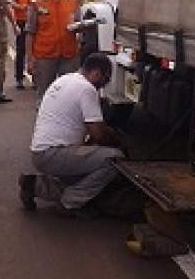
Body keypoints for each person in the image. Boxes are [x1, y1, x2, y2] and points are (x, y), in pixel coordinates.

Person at [18, 53, 124, 218]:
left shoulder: (65, 79)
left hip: (40, 152)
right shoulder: (87, 89)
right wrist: (115, 139)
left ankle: (35, 185)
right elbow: (98, 133)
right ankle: (70, 203)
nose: (103, 86)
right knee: (114, 160)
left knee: (85, 174)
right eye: (105, 79)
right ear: (96, 73)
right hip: (55, 154)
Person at [26, 0, 82, 102]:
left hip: (68, 55)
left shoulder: (72, 1)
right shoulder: (37, 3)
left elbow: (79, 25)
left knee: (68, 96)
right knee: (45, 96)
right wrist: (30, 59)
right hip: (45, 56)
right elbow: (30, 32)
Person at [8, 0, 46, 89]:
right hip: (22, 19)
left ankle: (36, 78)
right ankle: (19, 78)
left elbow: (46, 0)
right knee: (21, 49)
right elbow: (11, 1)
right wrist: (20, 6)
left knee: (37, 49)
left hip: (37, 20)